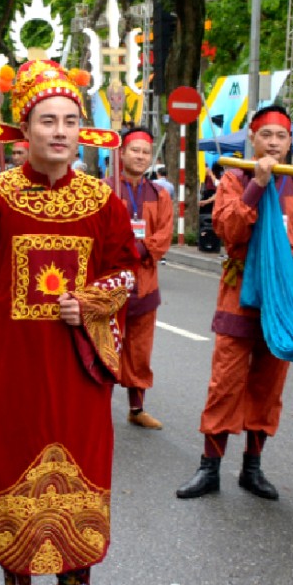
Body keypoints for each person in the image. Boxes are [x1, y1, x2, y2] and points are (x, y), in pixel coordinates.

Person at [0, 58, 139, 585]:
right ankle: (16, 582)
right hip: (14, 362)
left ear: (81, 129)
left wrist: (89, 302)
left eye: (70, 121)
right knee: (11, 451)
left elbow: (126, 273)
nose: (59, 132)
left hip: (77, 363)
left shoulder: (103, 202)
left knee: (82, 457)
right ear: (25, 129)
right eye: (47, 120)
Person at [178, 105, 293, 501]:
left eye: (281, 136)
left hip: (284, 299)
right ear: (252, 139)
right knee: (225, 383)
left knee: (268, 386)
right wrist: (257, 185)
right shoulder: (234, 177)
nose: (273, 143)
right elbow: (228, 229)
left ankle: (252, 468)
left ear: (290, 142)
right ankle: (209, 467)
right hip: (239, 292)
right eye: (266, 135)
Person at [114, 127, 173, 429]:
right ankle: (95, 406)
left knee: (139, 350)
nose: (139, 156)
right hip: (110, 280)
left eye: (145, 152)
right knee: (103, 345)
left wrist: (137, 250)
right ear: (122, 153)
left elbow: (164, 234)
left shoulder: (159, 194)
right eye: (134, 150)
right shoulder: (106, 189)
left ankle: (136, 409)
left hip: (145, 282)